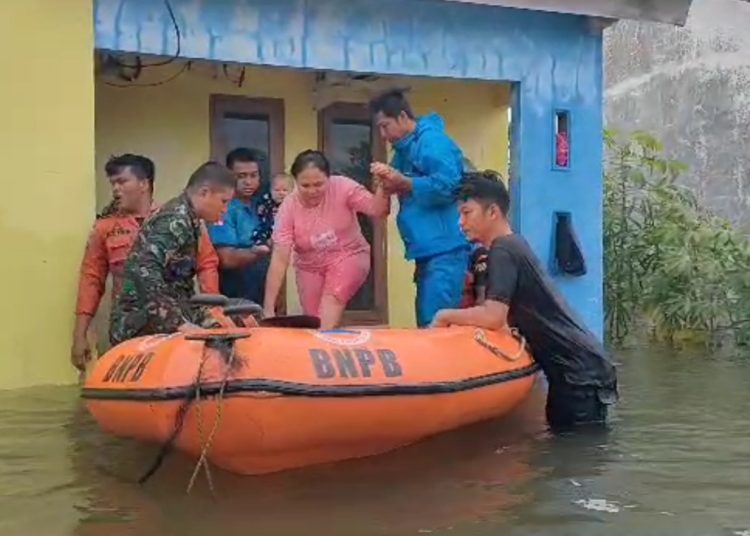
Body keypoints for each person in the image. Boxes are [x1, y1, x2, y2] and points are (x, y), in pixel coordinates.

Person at [431, 171, 618, 431]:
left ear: (492, 212)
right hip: (582, 369)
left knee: (574, 459)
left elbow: (493, 316)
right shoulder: (514, 244)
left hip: (578, 376)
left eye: (467, 213)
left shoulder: (503, 250)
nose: (460, 222)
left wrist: (445, 316)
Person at [70, 154, 219, 371]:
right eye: (112, 183)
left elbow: (207, 266)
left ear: (144, 184)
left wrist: (212, 312)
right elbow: (91, 279)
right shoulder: (105, 228)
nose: (115, 189)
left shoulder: (179, 220)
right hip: (131, 328)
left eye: (122, 182)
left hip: (176, 325)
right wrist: (79, 335)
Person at [368, 89, 470, 327]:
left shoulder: (432, 142)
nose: (383, 135)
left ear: (403, 117)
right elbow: (399, 184)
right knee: (427, 320)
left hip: (445, 248)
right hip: (426, 250)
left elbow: (451, 186)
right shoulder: (404, 150)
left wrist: (404, 182)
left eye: (385, 126)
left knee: (436, 322)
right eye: (379, 129)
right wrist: (386, 183)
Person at [109, 162, 237, 346]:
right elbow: (144, 269)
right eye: (224, 201)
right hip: (140, 322)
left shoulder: (189, 219)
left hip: (168, 313)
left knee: (234, 328)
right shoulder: (175, 220)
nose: (225, 209)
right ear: (204, 192)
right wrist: (179, 323)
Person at [262, 150, 390, 329]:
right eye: (305, 186)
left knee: (331, 302)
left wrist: (383, 188)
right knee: (314, 321)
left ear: (329, 178)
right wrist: (268, 308)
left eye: (319, 184)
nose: (312, 191)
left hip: (349, 255)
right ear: (295, 183)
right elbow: (279, 259)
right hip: (309, 266)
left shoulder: (344, 187)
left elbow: (377, 210)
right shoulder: (288, 208)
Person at [207, 147, 273, 303]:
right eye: (241, 176)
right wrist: (258, 252)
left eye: (253, 175)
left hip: (264, 291)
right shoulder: (224, 208)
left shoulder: (264, 206)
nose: (248, 182)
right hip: (235, 292)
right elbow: (226, 259)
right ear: (230, 177)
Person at [249, 172, 295, 247]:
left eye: (285, 190)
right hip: (268, 228)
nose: (281, 193)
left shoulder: (293, 205)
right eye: (277, 190)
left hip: (286, 232)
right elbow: (261, 212)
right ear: (270, 191)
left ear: (291, 192)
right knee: (259, 232)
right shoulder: (267, 202)